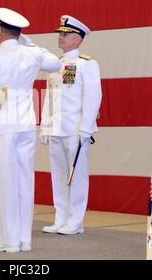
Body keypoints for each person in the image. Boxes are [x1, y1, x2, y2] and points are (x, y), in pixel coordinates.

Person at [0, 8, 61, 252]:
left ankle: (8, 241)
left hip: (2, 127)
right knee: (25, 181)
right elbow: (55, 63)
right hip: (26, 125)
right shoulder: (32, 54)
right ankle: (24, 240)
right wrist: (27, 42)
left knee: (4, 182)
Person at [40, 15, 102, 235]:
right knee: (58, 175)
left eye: (65, 34)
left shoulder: (87, 63)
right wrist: (45, 126)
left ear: (77, 39)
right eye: (60, 34)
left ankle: (75, 221)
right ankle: (60, 218)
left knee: (76, 175)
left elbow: (93, 97)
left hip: (75, 129)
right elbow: (50, 97)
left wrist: (86, 128)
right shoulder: (56, 64)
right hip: (56, 128)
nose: (60, 37)